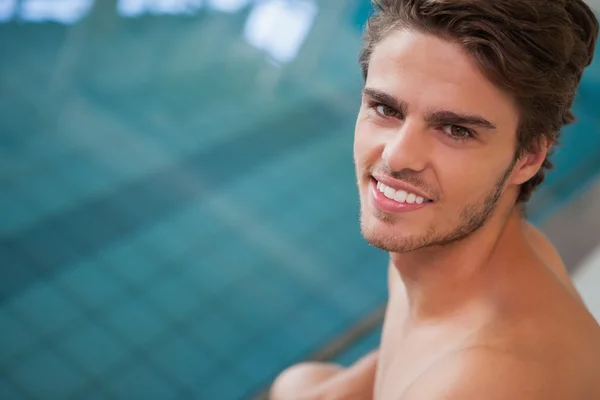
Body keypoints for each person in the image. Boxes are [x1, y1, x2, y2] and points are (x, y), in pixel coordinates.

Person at [270, 0, 600, 398]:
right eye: (385, 108)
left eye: (456, 130)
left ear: (527, 157)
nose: (397, 156)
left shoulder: (483, 378)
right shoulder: (474, 253)